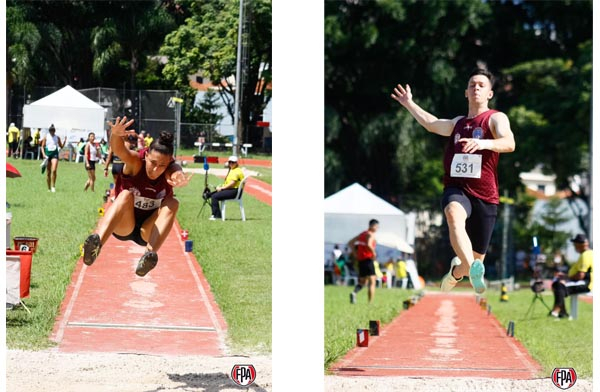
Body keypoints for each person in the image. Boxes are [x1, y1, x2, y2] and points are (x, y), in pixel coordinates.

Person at [391, 68, 516, 294]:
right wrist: (409, 103)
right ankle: (470, 269)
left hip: (486, 196)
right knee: (453, 214)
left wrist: (484, 144)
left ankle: (457, 272)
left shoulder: (496, 118)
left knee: (474, 261)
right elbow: (431, 123)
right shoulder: (458, 123)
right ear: (466, 93)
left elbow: (509, 143)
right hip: (456, 189)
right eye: (472, 85)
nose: (476, 88)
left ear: (489, 93)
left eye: (481, 85)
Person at [82, 116, 192, 277]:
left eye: (162, 165)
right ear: (146, 155)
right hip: (124, 225)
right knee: (126, 194)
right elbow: (120, 151)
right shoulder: (136, 162)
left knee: (173, 202)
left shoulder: (170, 170)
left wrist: (179, 175)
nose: (156, 169)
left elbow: (175, 170)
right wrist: (115, 134)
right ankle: (96, 245)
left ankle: (149, 255)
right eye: (153, 162)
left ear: (168, 163)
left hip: (146, 232)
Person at [550, 234, 593, 318]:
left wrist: (566, 278)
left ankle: (557, 310)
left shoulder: (586, 255)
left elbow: (580, 275)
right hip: (583, 282)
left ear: (581, 244)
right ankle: (562, 312)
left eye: (575, 243)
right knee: (558, 283)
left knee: (559, 285)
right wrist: (565, 276)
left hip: (587, 283)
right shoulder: (588, 253)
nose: (574, 246)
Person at [348, 219, 379, 304]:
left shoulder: (362, 234)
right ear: (373, 226)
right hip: (368, 259)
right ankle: (370, 303)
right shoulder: (370, 234)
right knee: (372, 281)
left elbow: (350, 243)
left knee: (363, 281)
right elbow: (369, 244)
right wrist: (373, 253)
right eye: (377, 227)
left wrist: (355, 253)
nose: (377, 229)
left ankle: (354, 293)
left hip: (361, 260)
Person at [208, 155, 245, 221]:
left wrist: (222, 188)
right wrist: (221, 187)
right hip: (233, 190)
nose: (231, 164)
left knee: (214, 196)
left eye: (233, 162)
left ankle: (216, 215)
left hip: (234, 192)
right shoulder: (233, 169)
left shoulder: (236, 171)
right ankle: (217, 214)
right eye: (229, 162)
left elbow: (232, 183)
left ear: (236, 163)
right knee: (212, 195)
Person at [40, 124, 67, 192]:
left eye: (53, 130)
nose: (52, 131)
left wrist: (64, 141)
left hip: (54, 154)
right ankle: (48, 188)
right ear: (49, 131)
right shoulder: (46, 137)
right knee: (48, 172)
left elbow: (61, 146)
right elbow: (42, 146)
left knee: (54, 170)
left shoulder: (57, 138)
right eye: (51, 130)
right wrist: (43, 154)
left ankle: (53, 186)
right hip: (47, 155)